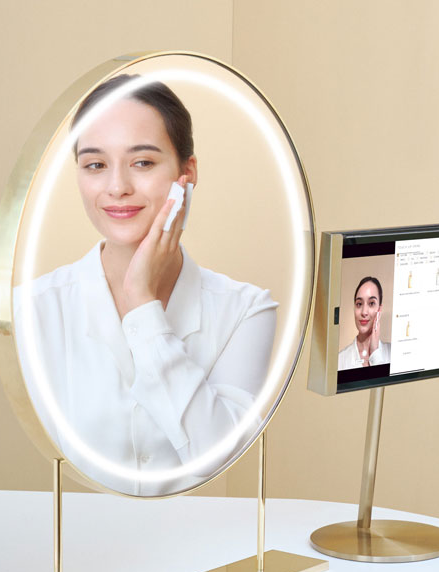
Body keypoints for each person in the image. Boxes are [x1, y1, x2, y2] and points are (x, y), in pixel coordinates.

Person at [15, 74, 278, 497]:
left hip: (199, 537)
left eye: (142, 162)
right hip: (76, 536)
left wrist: (142, 303)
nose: (117, 187)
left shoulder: (245, 310)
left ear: (186, 173)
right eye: (95, 165)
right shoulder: (31, 311)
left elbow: (217, 456)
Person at [337, 276, 391, 369]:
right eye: (359, 304)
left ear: (379, 309)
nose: (364, 312)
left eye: (371, 303)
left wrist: (375, 353)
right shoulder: (340, 360)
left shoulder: (393, 354)